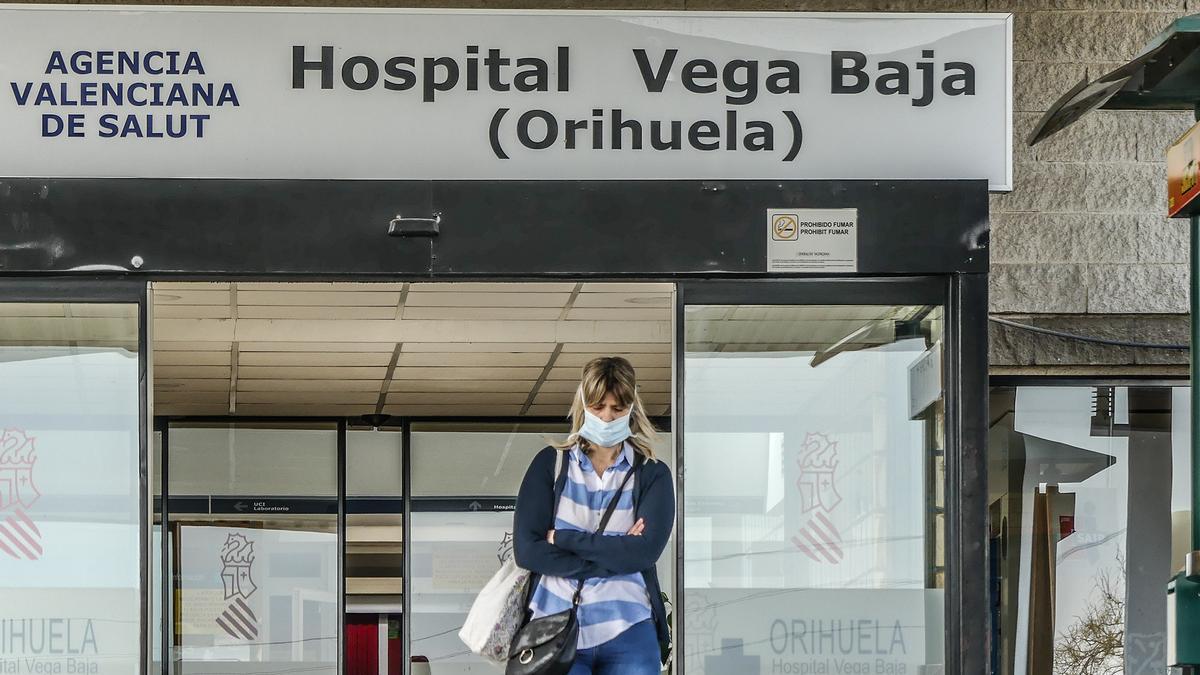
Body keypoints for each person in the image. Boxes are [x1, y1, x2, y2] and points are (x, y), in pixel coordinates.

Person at [512, 356, 674, 675]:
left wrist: (562, 539)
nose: (606, 417)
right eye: (598, 407)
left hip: (629, 627)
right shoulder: (551, 465)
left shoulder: (652, 474)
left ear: (631, 408)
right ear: (583, 404)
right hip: (553, 628)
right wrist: (612, 555)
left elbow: (644, 553)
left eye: (617, 409)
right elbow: (527, 550)